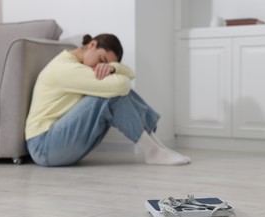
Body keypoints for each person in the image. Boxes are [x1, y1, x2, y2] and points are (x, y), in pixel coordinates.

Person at [25, 33, 190, 167]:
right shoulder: (66, 68)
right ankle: (152, 151)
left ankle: (156, 146)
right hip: (44, 146)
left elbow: (129, 76)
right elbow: (122, 85)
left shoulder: (77, 64)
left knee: (112, 90)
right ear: (92, 45)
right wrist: (115, 72)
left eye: (105, 65)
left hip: (55, 144)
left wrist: (113, 68)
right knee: (108, 96)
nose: (100, 67)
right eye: (102, 60)